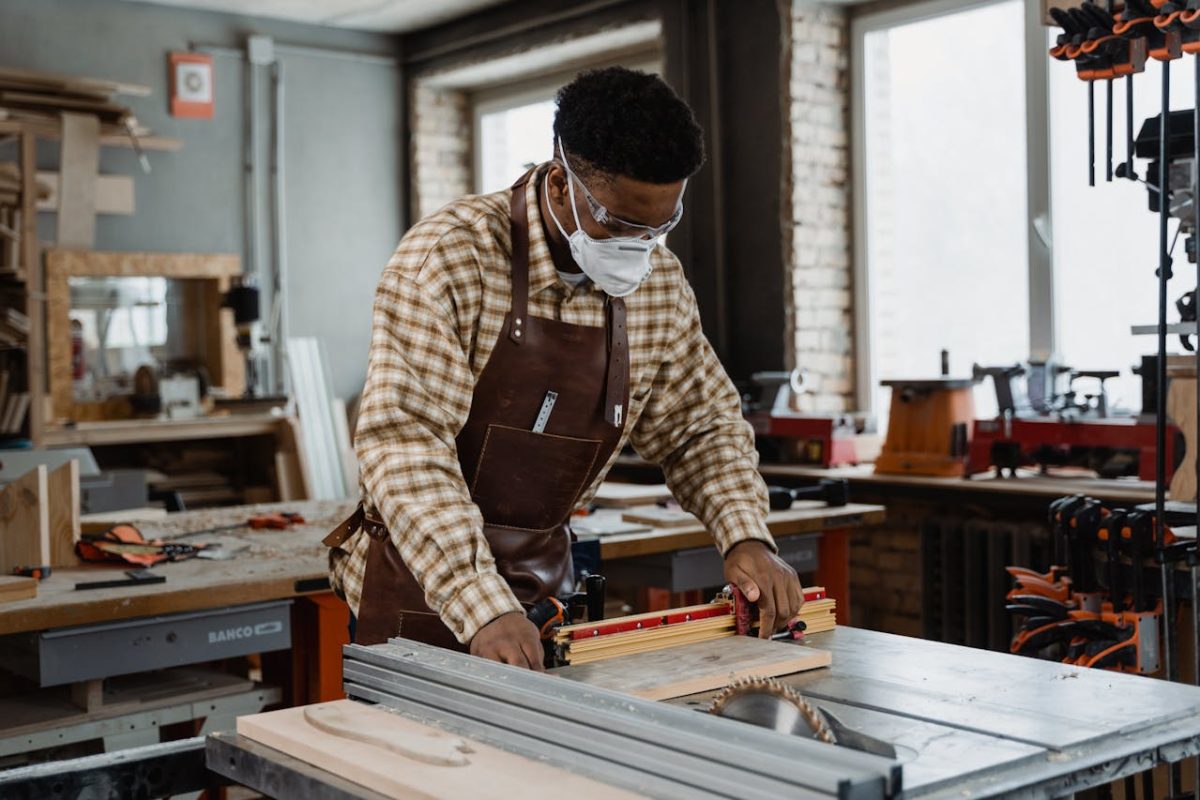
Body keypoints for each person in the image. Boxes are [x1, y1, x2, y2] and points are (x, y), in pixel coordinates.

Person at [325, 66, 803, 670]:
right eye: (620, 224)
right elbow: (407, 447)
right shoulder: (450, 257)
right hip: (417, 589)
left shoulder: (658, 285)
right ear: (558, 184)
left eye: (661, 225)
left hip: (542, 589)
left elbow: (700, 427)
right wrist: (481, 606)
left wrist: (745, 534)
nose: (641, 246)